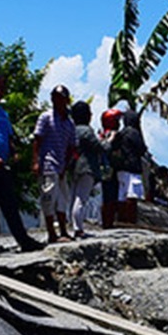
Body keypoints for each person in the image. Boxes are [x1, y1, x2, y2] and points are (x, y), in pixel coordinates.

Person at [0, 71, 40, 252]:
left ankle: (23, 240)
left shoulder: (2, 112)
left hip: (3, 165)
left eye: (2, 88)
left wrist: (14, 152)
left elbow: (8, 136)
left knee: (10, 205)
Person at [31, 85, 76, 243]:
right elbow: (37, 140)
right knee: (49, 198)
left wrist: (67, 164)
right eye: (54, 97)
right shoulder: (46, 117)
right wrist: (36, 161)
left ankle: (63, 230)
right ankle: (51, 232)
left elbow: (72, 146)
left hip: (62, 165)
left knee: (62, 199)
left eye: (60, 98)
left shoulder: (69, 123)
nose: (57, 101)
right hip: (48, 164)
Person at [69, 100, 105, 239]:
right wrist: (108, 140)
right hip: (86, 167)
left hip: (73, 166)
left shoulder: (72, 129)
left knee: (73, 197)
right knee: (81, 199)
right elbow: (99, 148)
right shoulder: (86, 130)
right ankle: (78, 228)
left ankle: (72, 227)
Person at [108, 108, 148, 227]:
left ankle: (122, 220)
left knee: (122, 196)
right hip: (132, 168)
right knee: (132, 196)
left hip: (121, 169)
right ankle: (131, 222)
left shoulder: (121, 133)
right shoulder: (133, 132)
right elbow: (142, 149)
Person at [98, 108, 122, 229]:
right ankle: (108, 222)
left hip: (105, 168)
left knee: (107, 196)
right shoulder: (113, 135)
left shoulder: (102, 134)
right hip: (111, 168)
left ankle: (106, 222)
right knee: (111, 197)